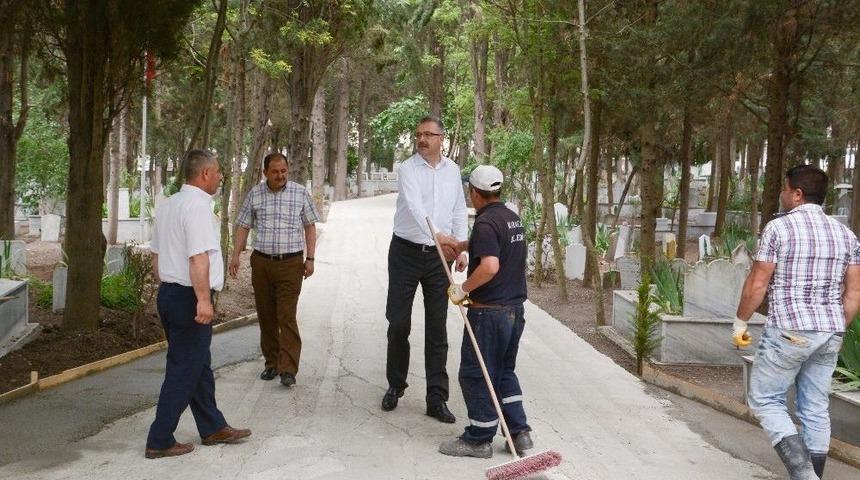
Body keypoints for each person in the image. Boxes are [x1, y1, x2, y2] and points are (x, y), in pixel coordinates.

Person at [734, 164, 860, 480]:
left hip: (790, 331)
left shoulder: (779, 229)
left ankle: (805, 476)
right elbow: (854, 291)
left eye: (784, 189)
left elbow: (758, 282)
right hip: (829, 331)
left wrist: (740, 323)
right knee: (815, 409)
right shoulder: (846, 235)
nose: (781, 194)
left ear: (797, 194)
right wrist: (837, 328)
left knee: (765, 398)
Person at [146, 149, 251, 459]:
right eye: (217, 172)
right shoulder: (197, 207)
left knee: (197, 364)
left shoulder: (169, 205)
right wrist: (203, 300)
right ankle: (159, 438)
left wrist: (171, 287)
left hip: (170, 293)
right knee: (184, 368)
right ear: (205, 174)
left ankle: (212, 426)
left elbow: (156, 259)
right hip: (189, 297)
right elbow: (198, 257)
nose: (220, 176)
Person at [435, 165, 532, 459]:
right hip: (514, 310)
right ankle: (519, 433)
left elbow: (490, 266)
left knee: (476, 374)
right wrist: (458, 243)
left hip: (489, 313)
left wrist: (463, 289)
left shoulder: (486, 223)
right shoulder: (510, 218)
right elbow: (494, 246)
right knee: (503, 373)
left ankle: (479, 438)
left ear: (474, 193)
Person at [382, 116, 468, 423]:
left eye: (428, 134)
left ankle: (436, 397)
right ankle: (395, 384)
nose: (422, 139)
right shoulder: (407, 169)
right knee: (398, 323)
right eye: (418, 134)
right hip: (405, 252)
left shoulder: (453, 170)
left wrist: (458, 247)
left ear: (441, 138)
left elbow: (459, 209)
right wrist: (440, 236)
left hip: (438, 258)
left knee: (437, 328)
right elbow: (417, 208)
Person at [230, 152, 320, 387]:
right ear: (265, 173)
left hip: (291, 265)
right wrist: (235, 256)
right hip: (261, 263)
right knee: (266, 315)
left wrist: (310, 258)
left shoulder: (300, 193)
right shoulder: (255, 194)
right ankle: (271, 363)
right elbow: (243, 226)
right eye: (275, 172)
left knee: (286, 316)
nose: (280, 176)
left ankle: (288, 369)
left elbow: (310, 227)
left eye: (284, 171)